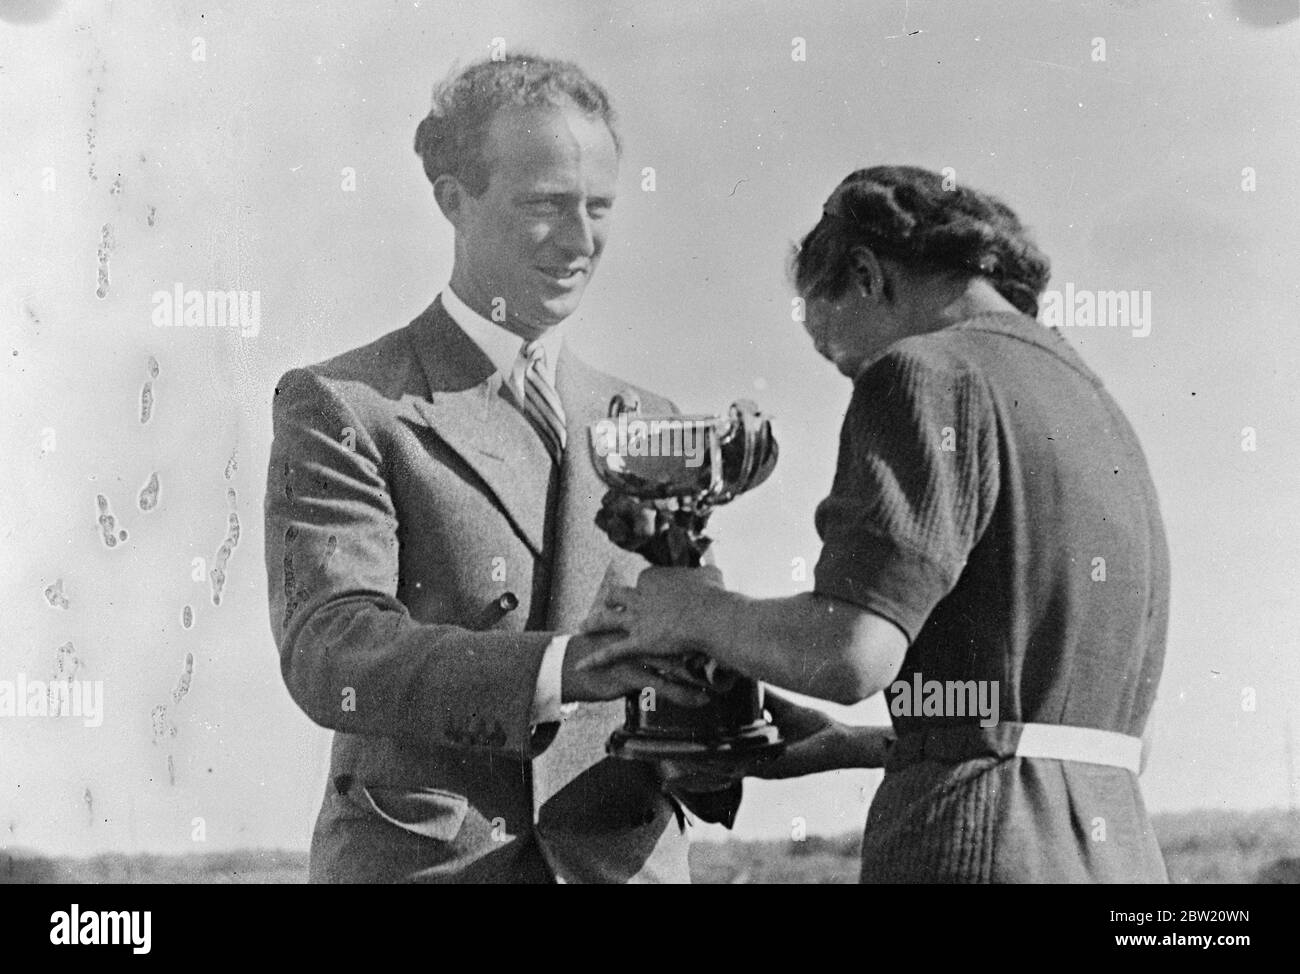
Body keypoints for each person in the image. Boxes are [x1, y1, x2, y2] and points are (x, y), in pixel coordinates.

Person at [583, 165, 1171, 883]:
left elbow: (851, 654)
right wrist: (840, 741)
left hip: (973, 846)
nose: (855, 375)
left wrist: (691, 609)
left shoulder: (927, 372)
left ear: (866, 275)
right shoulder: (1087, 397)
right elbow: (1011, 709)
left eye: (840, 359)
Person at [263, 53, 725, 884]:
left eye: (600, 207)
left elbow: (688, 654)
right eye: (545, 205)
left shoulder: (651, 422)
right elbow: (329, 650)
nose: (581, 241)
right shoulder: (346, 403)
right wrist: (560, 669)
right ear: (452, 197)